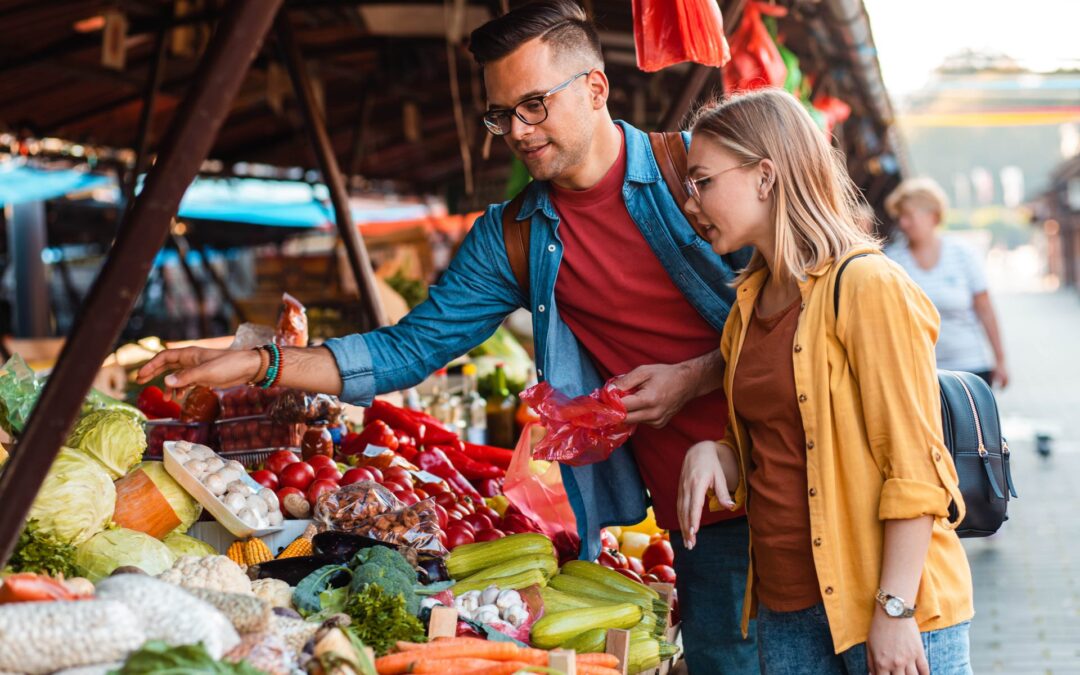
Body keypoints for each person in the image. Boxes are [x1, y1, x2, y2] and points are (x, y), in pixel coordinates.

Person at [138, 1, 757, 671]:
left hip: (794, 476)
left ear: (595, 88)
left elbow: (807, 306)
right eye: (500, 114)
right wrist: (259, 363)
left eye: (534, 106)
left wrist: (692, 376)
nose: (516, 132)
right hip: (702, 520)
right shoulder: (514, 236)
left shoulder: (694, 174)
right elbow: (408, 349)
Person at [676, 88, 974, 674]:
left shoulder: (867, 286)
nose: (691, 204)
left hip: (883, 611)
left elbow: (914, 464)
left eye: (702, 182)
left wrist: (894, 609)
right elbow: (780, 447)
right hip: (785, 612)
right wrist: (715, 453)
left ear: (765, 175)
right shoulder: (748, 306)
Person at [884, 177, 1008, 388]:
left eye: (909, 215)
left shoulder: (963, 254)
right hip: (919, 373)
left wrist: (1000, 360)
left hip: (970, 369)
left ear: (932, 216)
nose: (903, 223)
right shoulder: (893, 260)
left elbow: (985, 308)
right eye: (900, 217)